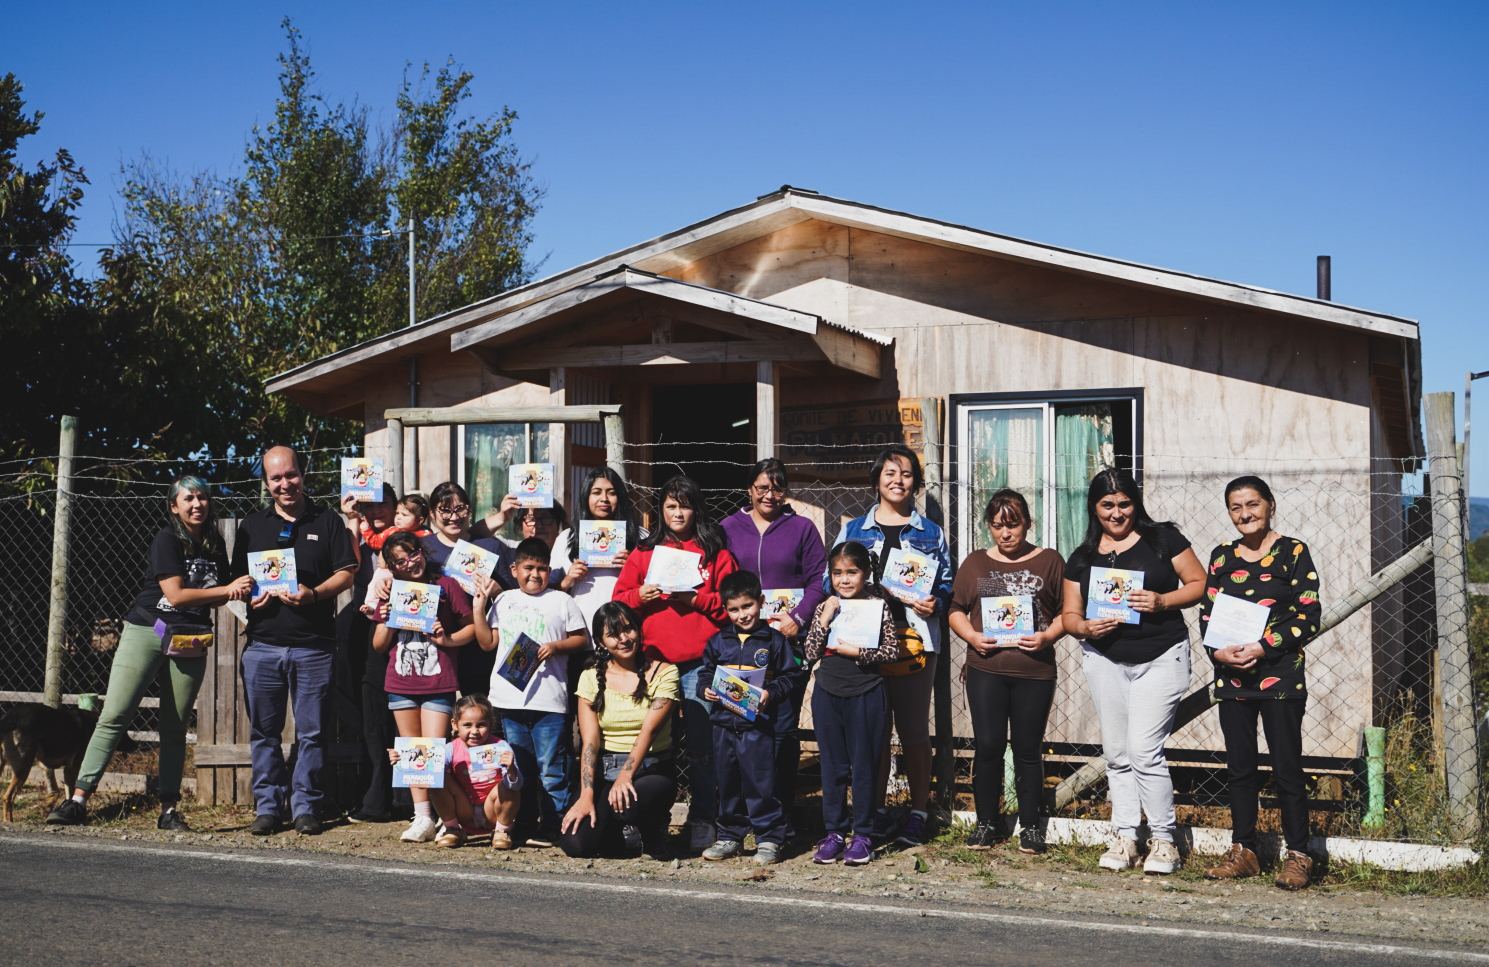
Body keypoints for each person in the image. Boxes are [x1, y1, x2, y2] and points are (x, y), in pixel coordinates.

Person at [47, 476, 254, 830]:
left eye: (202, 497)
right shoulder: (167, 538)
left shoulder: (216, 543)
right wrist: (227, 589)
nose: (196, 504)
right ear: (174, 506)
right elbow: (175, 595)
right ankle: (76, 801)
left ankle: (169, 810)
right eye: (188, 498)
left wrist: (245, 592)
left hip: (190, 637)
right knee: (115, 715)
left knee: (174, 728)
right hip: (149, 629)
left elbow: (224, 593)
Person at [1061, 468, 1205, 874]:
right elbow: (1069, 616)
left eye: (1124, 502)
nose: (1117, 512)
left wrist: (1163, 601)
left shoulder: (1163, 539)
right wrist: (1085, 627)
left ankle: (1164, 840)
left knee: (1144, 750)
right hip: (1105, 660)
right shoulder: (1083, 555)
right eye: (1107, 504)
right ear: (1094, 507)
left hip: (1161, 656)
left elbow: (1199, 583)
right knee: (1118, 753)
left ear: (1135, 502)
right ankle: (1126, 836)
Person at [1200, 476, 1322, 891]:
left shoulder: (1294, 552)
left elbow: (1308, 614)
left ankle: (1299, 856)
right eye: (1236, 507)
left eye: (1252, 504)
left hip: (1280, 677)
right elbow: (1207, 614)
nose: (1245, 514)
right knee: (1240, 769)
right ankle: (1244, 851)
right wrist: (1216, 651)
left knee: (1287, 767)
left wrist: (1263, 647)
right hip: (1233, 678)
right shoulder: (1221, 556)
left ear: (1270, 505)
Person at [828, 443, 952, 847]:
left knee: (914, 730)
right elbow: (836, 579)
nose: (898, 481)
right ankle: (872, 814)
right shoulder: (853, 531)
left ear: (915, 482)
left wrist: (938, 601)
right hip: (865, 642)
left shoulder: (931, 532)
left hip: (915, 642)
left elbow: (947, 582)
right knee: (872, 734)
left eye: (906, 475)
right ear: (877, 480)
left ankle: (918, 813)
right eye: (890, 474)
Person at [230, 446, 358, 836]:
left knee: (313, 733)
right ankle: (268, 807)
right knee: (264, 733)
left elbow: (347, 573)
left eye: (291, 475)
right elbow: (239, 582)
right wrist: (251, 596)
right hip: (263, 646)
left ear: (303, 475)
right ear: (266, 483)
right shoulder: (252, 525)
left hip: (314, 646)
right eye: (276, 478)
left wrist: (314, 594)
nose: (285, 484)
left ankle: (306, 807)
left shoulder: (329, 521)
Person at [612, 474, 739, 851]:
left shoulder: (716, 552)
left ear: (695, 507)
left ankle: (702, 818)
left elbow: (733, 608)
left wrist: (695, 599)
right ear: (660, 511)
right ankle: (647, 820)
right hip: (654, 663)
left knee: (702, 746)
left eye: (684, 504)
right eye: (670, 505)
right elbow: (619, 600)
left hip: (702, 663)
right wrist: (640, 595)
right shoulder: (645, 552)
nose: (677, 512)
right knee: (650, 743)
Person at [946, 489, 1066, 853]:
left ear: (1028, 524)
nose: (1005, 534)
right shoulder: (975, 563)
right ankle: (987, 823)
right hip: (987, 669)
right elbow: (954, 609)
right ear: (989, 527)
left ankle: (1030, 827)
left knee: (1028, 749)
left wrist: (1047, 636)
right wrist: (972, 637)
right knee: (989, 747)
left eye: (1012, 525)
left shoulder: (1049, 561)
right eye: (997, 526)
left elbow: (1068, 611)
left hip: (1035, 672)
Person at [718, 458, 826, 836]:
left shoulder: (802, 528)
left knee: (781, 729)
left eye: (777, 487)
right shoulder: (728, 528)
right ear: (749, 489)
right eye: (762, 487)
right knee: (740, 728)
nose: (769, 494)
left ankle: (780, 815)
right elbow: (718, 575)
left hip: (786, 642)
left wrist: (798, 616)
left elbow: (818, 579)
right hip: (740, 646)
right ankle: (744, 817)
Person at [473, 537, 590, 846]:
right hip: (508, 701)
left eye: (541, 569)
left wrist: (556, 647)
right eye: (528, 568)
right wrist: (478, 606)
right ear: (514, 569)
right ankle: (521, 822)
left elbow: (582, 640)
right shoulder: (505, 600)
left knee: (552, 767)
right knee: (518, 767)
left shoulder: (561, 600)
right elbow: (486, 643)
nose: (534, 575)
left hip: (549, 701)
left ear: (549, 570)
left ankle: (554, 824)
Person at [371, 531, 475, 843]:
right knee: (411, 750)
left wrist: (448, 639)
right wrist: (387, 620)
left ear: (422, 551)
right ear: (392, 567)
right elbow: (378, 645)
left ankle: (451, 818)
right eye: (400, 561)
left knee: (432, 752)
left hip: (438, 681)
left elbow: (470, 627)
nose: (410, 563)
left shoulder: (446, 586)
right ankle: (422, 818)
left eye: (413, 554)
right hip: (400, 681)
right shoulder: (390, 594)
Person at [696, 571, 806, 865]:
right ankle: (730, 835)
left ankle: (769, 838)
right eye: (734, 609)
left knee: (761, 783)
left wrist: (770, 692)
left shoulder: (773, 641)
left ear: (761, 602)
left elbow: (790, 676)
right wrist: (705, 688)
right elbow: (706, 672)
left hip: (757, 727)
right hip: (722, 726)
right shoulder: (718, 641)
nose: (742, 615)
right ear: (725, 609)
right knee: (728, 782)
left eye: (747, 606)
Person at [805, 542, 900, 866]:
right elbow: (809, 653)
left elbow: (891, 651)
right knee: (831, 767)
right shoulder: (826, 606)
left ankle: (863, 835)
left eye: (852, 572)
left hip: (866, 693)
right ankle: (833, 833)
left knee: (864, 768)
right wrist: (825, 618)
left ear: (866, 573)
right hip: (828, 694)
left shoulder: (878, 606)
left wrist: (857, 654)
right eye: (837, 573)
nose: (844, 579)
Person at [561, 602, 680, 860]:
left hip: (652, 768)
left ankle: (653, 828)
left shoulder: (666, 673)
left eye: (629, 629)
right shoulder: (591, 676)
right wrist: (587, 794)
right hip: (605, 769)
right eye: (613, 634)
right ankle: (616, 836)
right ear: (601, 642)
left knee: (626, 807)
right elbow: (590, 740)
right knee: (577, 845)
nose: (624, 639)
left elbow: (648, 732)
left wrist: (625, 777)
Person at [418, 481, 515, 698]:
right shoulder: (422, 549)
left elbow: (514, 598)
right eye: (445, 511)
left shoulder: (490, 546)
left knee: (479, 714)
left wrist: (497, 591)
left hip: (479, 651)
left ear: (469, 510)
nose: (453, 517)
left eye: (460, 509)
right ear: (432, 514)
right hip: (434, 647)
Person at [550, 468, 644, 627]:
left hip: (626, 632)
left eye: (611, 493)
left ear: (620, 497)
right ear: (586, 496)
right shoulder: (566, 538)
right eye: (597, 492)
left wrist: (633, 567)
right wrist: (567, 581)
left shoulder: (641, 536)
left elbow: (654, 585)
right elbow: (547, 594)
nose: (604, 499)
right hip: (580, 633)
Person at [428, 694, 523, 850]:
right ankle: (453, 829)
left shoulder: (501, 746)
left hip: (492, 811)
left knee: (509, 783)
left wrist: (511, 769)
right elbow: (428, 775)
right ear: (454, 725)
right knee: (437, 776)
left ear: (491, 724)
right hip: (464, 811)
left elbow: (517, 785)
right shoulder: (450, 748)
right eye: (467, 725)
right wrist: (403, 761)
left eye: (481, 725)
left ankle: (502, 831)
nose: (474, 731)